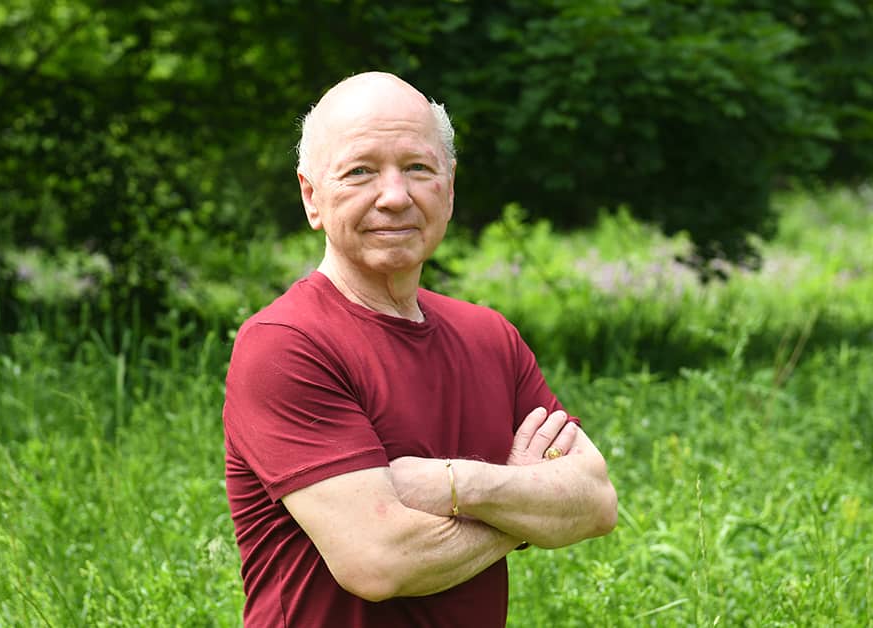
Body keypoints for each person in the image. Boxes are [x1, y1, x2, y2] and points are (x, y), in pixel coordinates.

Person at [222, 71, 618, 627]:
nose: (394, 196)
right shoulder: (286, 345)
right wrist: (523, 501)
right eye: (360, 171)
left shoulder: (490, 337)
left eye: (417, 168)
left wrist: (457, 484)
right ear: (312, 197)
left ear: (448, 189)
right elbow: (380, 562)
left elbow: (595, 501)